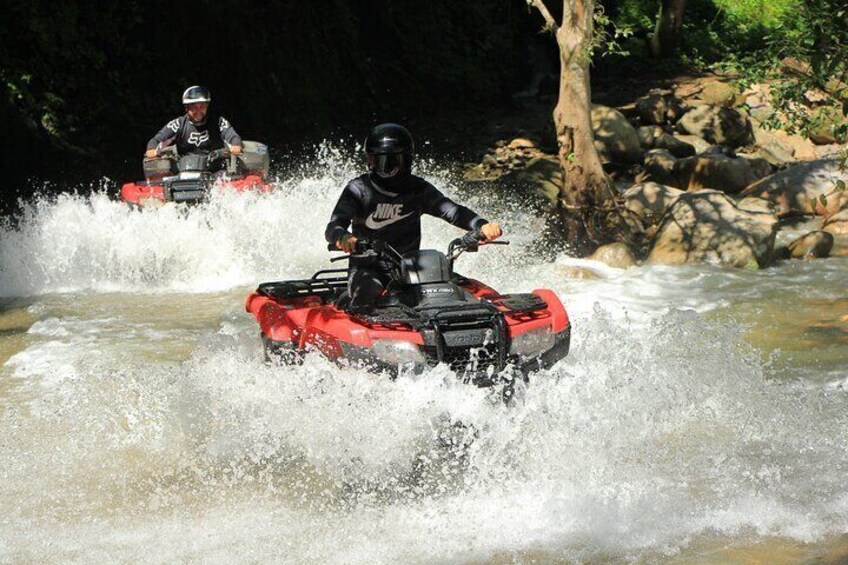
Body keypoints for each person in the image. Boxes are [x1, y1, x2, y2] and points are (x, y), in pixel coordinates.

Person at [325, 123, 502, 308]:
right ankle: (348, 306)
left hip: (412, 268)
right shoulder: (358, 189)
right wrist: (343, 237)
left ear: (407, 160)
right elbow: (334, 226)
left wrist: (482, 225)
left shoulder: (419, 190)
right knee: (365, 297)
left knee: (458, 296)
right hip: (368, 268)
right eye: (378, 160)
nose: (386, 167)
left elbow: (453, 211)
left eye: (392, 161)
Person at [144, 86, 243, 159]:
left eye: (202, 106)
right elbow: (157, 140)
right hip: (184, 172)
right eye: (194, 107)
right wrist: (151, 149)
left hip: (216, 172)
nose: (198, 111)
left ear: (207, 106)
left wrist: (235, 145)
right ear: (186, 108)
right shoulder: (178, 124)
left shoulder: (218, 122)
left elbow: (233, 136)